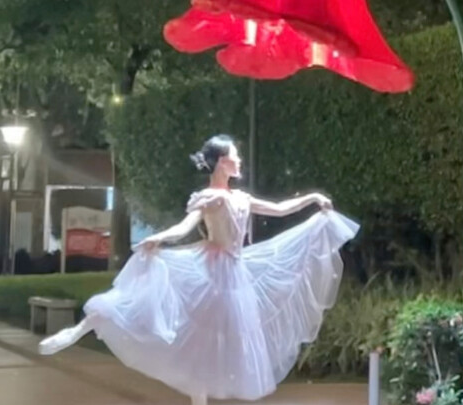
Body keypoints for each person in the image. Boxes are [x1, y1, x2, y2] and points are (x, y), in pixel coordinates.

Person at [38, 134, 359, 405]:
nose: (239, 161)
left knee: (213, 342)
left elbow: (278, 209)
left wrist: (314, 199)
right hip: (213, 272)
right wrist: (159, 239)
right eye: (235, 156)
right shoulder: (210, 198)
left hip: (236, 272)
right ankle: (84, 326)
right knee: (189, 331)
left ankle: (198, 398)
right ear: (222, 162)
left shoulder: (241, 198)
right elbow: (184, 227)